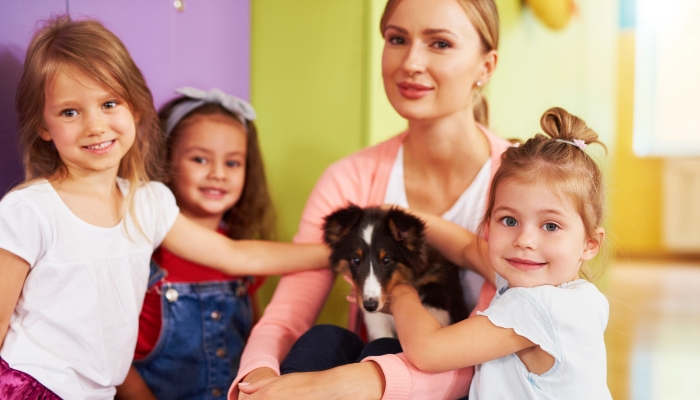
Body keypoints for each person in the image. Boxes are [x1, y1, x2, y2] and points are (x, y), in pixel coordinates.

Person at [0, 16, 327, 400]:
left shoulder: (147, 202)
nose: (95, 125)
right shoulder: (30, 209)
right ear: (43, 124)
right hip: (31, 386)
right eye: (70, 112)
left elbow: (234, 254)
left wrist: (335, 253)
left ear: (136, 108)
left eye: (109, 103)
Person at [233, 0, 510, 398]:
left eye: (440, 44)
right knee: (324, 342)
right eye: (397, 39)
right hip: (376, 368)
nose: (411, 62)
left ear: (486, 66)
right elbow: (287, 317)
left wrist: (360, 381)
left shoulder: (516, 189)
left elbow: (491, 353)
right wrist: (258, 382)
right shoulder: (350, 179)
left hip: (466, 385)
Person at [389, 107, 612, 399]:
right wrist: (402, 216)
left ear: (590, 244)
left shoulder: (537, 306)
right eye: (509, 221)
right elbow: (467, 248)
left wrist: (399, 293)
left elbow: (427, 351)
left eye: (551, 225)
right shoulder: (579, 296)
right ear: (488, 225)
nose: (524, 240)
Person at [115, 88, 275, 399]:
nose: (217, 174)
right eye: (200, 159)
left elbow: (257, 340)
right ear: (166, 160)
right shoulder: (144, 254)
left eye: (232, 163)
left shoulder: (248, 258)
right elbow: (116, 356)